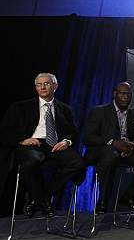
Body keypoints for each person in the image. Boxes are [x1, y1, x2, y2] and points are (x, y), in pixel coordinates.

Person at [0, 73, 86, 218]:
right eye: (39, 84)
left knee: (77, 163)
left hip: (54, 144)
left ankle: (39, 198)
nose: (43, 87)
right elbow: (4, 131)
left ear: (55, 86)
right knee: (33, 161)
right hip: (31, 144)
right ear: (35, 88)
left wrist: (66, 141)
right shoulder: (20, 107)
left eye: (46, 83)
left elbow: (74, 133)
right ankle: (44, 203)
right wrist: (22, 140)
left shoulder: (66, 109)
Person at [83, 82, 134, 213]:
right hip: (105, 150)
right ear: (115, 94)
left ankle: (130, 197)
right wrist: (113, 142)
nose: (125, 97)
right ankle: (103, 200)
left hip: (128, 151)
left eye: (128, 94)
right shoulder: (99, 111)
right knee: (111, 155)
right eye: (122, 94)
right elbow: (88, 137)